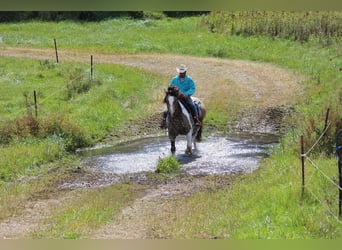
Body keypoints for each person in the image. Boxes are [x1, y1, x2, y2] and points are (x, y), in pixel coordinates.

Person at [160, 64, 200, 129]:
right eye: (180, 73)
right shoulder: (174, 79)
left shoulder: (189, 80)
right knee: (167, 108)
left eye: (182, 73)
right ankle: (164, 121)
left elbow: (192, 88)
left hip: (185, 97)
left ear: (185, 72)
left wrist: (187, 94)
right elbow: (170, 87)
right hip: (175, 97)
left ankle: (195, 119)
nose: (181, 74)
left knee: (191, 105)